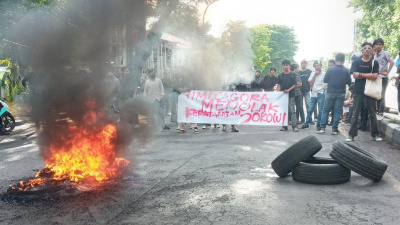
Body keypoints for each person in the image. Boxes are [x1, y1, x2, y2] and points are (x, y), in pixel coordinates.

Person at [347, 42, 382, 142]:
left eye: (369, 48)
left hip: (370, 91)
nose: (367, 49)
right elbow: (354, 75)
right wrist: (368, 75)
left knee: (372, 113)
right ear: (362, 51)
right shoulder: (357, 62)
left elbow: (375, 76)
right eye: (365, 48)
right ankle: (351, 135)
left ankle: (375, 134)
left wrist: (361, 74)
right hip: (358, 90)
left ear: (371, 51)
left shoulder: (374, 63)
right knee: (355, 113)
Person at [317, 53, 351, 135]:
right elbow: (349, 82)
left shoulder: (330, 69)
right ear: (343, 60)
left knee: (325, 110)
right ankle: (334, 129)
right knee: (337, 111)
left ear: (335, 60)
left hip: (330, 91)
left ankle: (322, 128)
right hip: (341, 92)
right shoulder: (346, 70)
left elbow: (325, 80)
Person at [301, 61, 327, 131]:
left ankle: (318, 124)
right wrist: (315, 75)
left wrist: (325, 87)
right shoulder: (312, 73)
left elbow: (328, 83)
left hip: (321, 93)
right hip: (314, 93)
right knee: (310, 109)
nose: (316, 67)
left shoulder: (325, 74)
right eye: (315, 66)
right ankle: (306, 124)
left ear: (321, 66)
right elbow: (310, 83)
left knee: (320, 110)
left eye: (318, 65)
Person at [373, 38, 394, 117]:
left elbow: (392, 62)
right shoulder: (374, 55)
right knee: (375, 94)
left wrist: (387, 72)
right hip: (375, 77)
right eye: (376, 44)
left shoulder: (385, 53)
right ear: (374, 46)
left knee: (381, 95)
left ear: (382, 46)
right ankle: (376, 111)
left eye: (380, 44)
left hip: (383, 77)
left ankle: (381, 112)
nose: (378, 46)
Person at [276, 59, 299, 132]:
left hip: (291, 95)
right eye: (284, 65)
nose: (285, 66)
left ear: (289, 66)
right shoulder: (280, 75)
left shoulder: (293, 74)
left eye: (287, 65)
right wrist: (277, 92)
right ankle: (284, 126)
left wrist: (288, 90)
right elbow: (279, 85)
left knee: (292, 110)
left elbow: (295, 84)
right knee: (283, 110)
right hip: (283, 96)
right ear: (282, 66)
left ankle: (294, 126)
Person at [298, 60, 315, 124]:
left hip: (307, 90)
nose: (303, 64)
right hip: (300, 91)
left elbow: (312, 80)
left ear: (306, 64)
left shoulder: (309, 72)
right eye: (302, 63)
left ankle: (309, 119)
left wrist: (312, 88)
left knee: (308, 105)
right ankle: (302, 119)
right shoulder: (299, 72)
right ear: (301, 64)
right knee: (300, 106)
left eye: (305, 63)